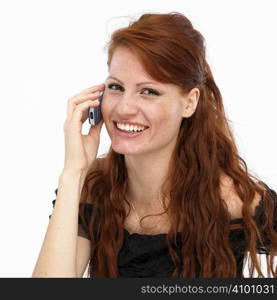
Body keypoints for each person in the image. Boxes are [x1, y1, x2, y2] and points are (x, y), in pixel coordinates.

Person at [32, 11, 277, 278]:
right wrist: (74, 172)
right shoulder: (92, 189)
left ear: (189, 103)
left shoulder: (233, 199)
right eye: (116, 87)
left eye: (148, 91)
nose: (124, 108)